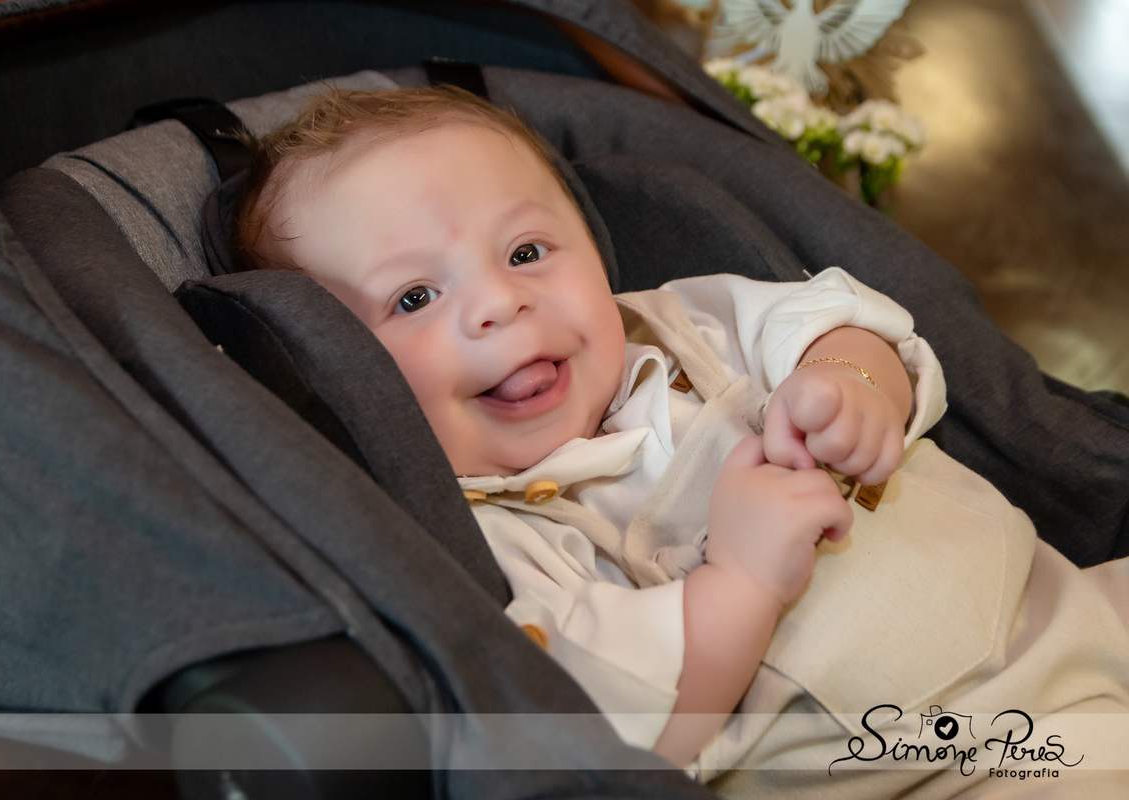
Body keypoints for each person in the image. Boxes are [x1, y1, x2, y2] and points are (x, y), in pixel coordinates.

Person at [230, 85, 1129, 797]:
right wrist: (738, 580)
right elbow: (623, 734)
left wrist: (851, 379)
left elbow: (846, 320)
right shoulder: (493, 539)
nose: (501, 302)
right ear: (341, 374)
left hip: (1064, 608)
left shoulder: (683, 323)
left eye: (528, 251)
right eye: (415, 298)